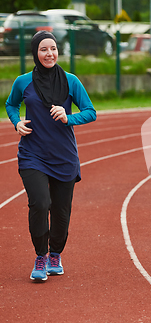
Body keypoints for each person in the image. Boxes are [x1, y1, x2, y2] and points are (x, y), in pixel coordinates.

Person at [5, 31, 97, 282]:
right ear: (36, 52)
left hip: (63, 155)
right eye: (44, 49)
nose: (49, 54)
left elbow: (90, 112)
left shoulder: (71, 81)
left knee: (61, 212)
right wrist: (16, 122)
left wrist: (69, 118)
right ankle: (40, 256)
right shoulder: (23, 82)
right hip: (32, 153)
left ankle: (55, 253)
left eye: (53, 48)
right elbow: (11, 104)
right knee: (40, 203)